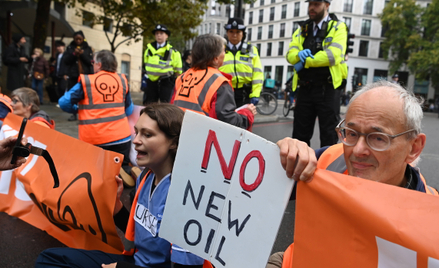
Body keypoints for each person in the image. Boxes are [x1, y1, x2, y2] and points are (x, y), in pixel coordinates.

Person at [266, 81, 438, 268]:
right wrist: (280, 154)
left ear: (414, 147)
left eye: (378, 138)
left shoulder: (430, 220)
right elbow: (256, 187)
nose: (357, 150)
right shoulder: (331, 157)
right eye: (352, 133)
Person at [35, 103, 206, 268]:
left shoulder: (187, 199)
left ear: (174, 143)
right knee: (50, 258)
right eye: (136, 132)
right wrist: (116, 208)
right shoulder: (146, 177)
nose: (135, 140)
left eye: (147, 135)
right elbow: (145, 234)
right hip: (136, 261)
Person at [59, 50, 135, 187]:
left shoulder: (88, 81)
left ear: (99, 65)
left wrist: (78, 109)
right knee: (121, 168)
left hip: (95, 141)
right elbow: (129, 109)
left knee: (93, 174)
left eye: (94, 62)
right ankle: (125, 182)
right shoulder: (122, 80)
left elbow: (64, 102)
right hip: (122, 139)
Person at [286, 0, 347, 147]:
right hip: (305, 88)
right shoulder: (302, 29)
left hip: (328, 89)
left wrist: (304, 61)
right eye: (310, 4)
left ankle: (327, 168)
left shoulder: (338, 27)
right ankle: (298, 168)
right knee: (299, 135)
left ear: (327, 5)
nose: (312, 8)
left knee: (329, 135)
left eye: (316, 4)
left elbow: (333, 56)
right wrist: (298, 55)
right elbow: (290, 54)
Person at [172, 34, 256, 131]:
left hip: (180, 133)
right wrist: (247, 114)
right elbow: (227, 124)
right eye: (224, 50)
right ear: (216, 58)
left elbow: (172, 108)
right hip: (201, 137)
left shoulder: (182, 77)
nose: (225, 54)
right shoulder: (219, 82)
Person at [219, 18, 263, 107]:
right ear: (227, 33)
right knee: (224, 120)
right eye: (231, 31)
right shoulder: (219, 49)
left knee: (244, 120)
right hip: (224, 93)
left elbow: (257, 73)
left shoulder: (251, 50)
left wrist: (255, 94)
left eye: (238, 32)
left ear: (243, 34)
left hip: (245, 94)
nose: (234, 35)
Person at [143, 24, 182, 105]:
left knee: (166, 106)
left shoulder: (173, 51)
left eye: (161, 33)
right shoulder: (148, 49)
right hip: (151, 82)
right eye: (157, 33)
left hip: (166, 82)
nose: (159, 35)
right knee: (150, 105)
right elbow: (146, 64)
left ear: (166, 35)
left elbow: (178, 71)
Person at [63, 30, 93, 121]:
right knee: (73, 94)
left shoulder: (88, 48)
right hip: (73, 75)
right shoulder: (70, 48)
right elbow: (66, 61)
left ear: (83, 39)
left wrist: (82, 54)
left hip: (85, 75)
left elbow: (90, 61)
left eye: (80, 39)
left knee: (86, 94)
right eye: (76, 39)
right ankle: (74, 113)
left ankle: (86, 113)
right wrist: (74, 54)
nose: (78, 41)